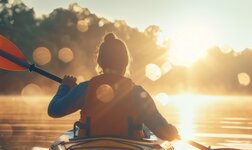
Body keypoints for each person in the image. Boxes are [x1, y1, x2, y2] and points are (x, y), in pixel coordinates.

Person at [48, 33, 179, 141]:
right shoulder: (137, 93)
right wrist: (174, 131)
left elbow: (54, 110)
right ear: (126, 62)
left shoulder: (85, 88)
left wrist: (64, 87)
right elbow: (165, 133)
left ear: (99, 62)